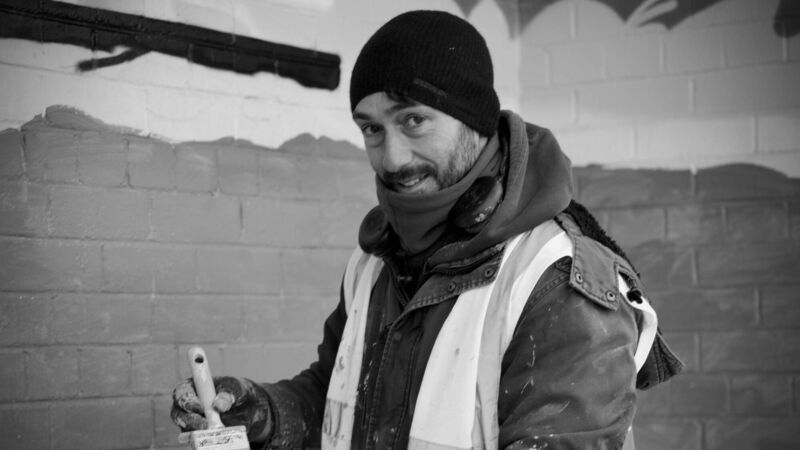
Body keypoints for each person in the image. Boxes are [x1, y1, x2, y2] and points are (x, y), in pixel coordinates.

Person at [171, 10, 682, 449]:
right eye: (372, 128)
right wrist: (262, 414)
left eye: (413, 120)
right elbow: (341, 399)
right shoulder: (374, 262)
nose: (391, 159)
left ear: (475, 121)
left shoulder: (558, 283)